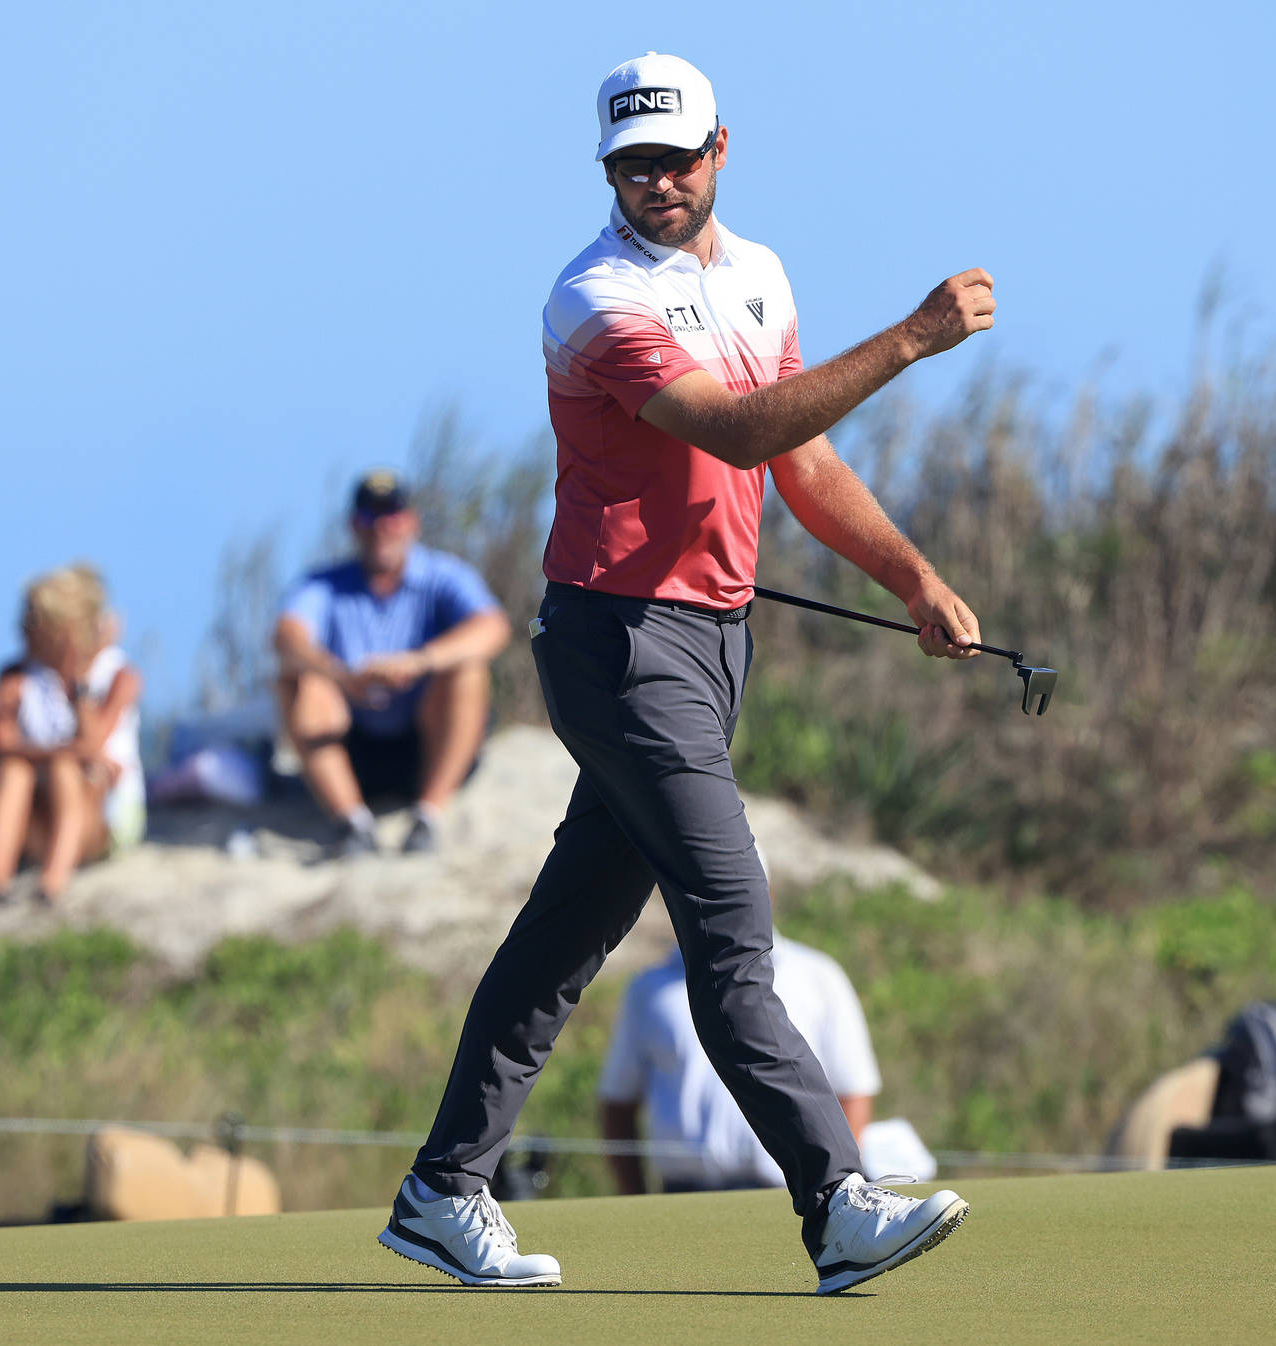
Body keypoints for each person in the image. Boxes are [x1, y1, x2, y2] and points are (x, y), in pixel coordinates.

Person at [378, 52, 992, 1294]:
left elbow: (799, 465)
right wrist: (914, 340)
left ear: (723, 148)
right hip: (620, 644)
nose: (653, 180)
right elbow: (739, 428)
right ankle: (837, 1202)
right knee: (732, 924)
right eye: (630, 162)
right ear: (608, 168)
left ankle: (444, 1186)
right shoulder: (595, 296)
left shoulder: (758, 276)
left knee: (564, 937)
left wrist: (911, 576)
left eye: (673, 156)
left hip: (711, 646)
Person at [598, 852, 880, 1195]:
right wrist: (635, 1199)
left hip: (793, 1194)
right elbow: (618, 1101)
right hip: (681, 1195)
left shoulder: (817, 976)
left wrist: (838, 1189)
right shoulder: (649, 989)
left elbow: (853, 1092)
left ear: (766, 892)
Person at [274, 470, 510, 856]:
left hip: (427, 745)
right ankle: (352, 823)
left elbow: (494, 628)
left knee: (468, 668)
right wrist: (341, 676)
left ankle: (427, 817)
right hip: (352, 749)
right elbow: (285, 637)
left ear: (411, 521)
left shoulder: (444, 575)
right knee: (297, 678)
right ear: (354, 524)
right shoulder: (323, 584)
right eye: (369, 517)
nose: (381, 527)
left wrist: (420, 662)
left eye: (391, 516)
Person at [0, 564, 144, 903]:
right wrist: (67, 752)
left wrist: (78, 685)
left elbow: (91, 743)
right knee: (16, 772)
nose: (22, 631)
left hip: (101, 817)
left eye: (33, 623)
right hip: (41, 816)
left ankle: (52, 886)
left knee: (62, 771)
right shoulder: (15, 677)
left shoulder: (117, 675)